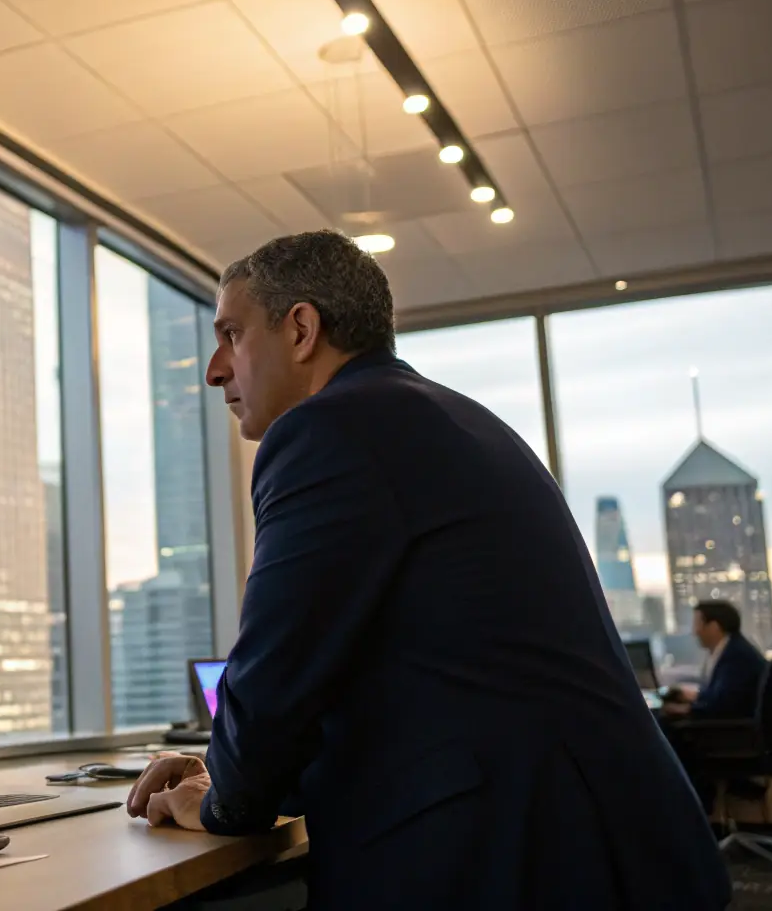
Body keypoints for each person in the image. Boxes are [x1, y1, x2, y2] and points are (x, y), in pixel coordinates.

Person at [126, 231, 730, 910]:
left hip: (525, 856)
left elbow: (277, 671)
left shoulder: (328, 432)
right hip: (606, 834)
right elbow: (382, 678)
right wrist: (226, 769)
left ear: (300, 329)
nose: (214, 369)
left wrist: (220, 799)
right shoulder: (448, 418)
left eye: (231, 335)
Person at [661, 600, 767, 719]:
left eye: (697, 624)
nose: (695, 632)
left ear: (714, 627)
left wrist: (684, 710)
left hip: (728, 728)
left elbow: (722, 706)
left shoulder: (736, 657)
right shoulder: (732, 648)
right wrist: (688, 695)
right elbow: (721, 695)